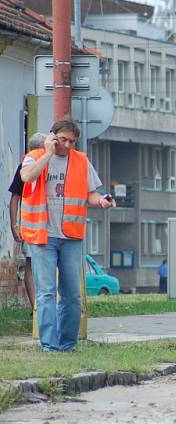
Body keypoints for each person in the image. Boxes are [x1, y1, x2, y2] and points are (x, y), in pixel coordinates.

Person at [20, 120, 115, 352]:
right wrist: (48, 154)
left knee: (72, 294)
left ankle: (67, 344)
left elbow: (90, 194)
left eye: (72, 141)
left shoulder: (81, 161)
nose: (67, 145)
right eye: (63, 139)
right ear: (52, 137)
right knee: (46, 292)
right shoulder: (34, 156)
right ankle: (50, 345)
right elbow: (27, 177)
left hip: (71, 236)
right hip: (43, 234)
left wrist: (101, 201)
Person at [8, 133, 46, 309]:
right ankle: (36, 308)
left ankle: (46, 306)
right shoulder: (25, 167)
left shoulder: (53, 165)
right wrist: (14, 225)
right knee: (31, 263)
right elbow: (15, 197)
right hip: (31, 224)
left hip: (50, 225)